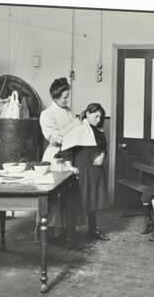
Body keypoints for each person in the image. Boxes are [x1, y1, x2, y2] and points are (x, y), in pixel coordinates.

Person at [61, 103, 109, 241]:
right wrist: (69, 166)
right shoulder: (79, 128)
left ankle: (92, 231)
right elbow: (66, 149)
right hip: (82, 170)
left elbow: (104, 147)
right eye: (96, 116)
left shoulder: (98, 130)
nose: (99, 119)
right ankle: (70, 234)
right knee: (78, 202)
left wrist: (102, 156)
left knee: (93, 202)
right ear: (87, 113)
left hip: (96, 171)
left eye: (101, 116)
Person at [39, 77, 80, 170]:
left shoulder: (69, 111)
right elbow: (55, 139)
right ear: (55, 97)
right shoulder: (47, 114)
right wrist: (74, 125)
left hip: (70, 155)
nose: (67, 100)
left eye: (68, 97)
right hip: (56, 157)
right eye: (64, 98)